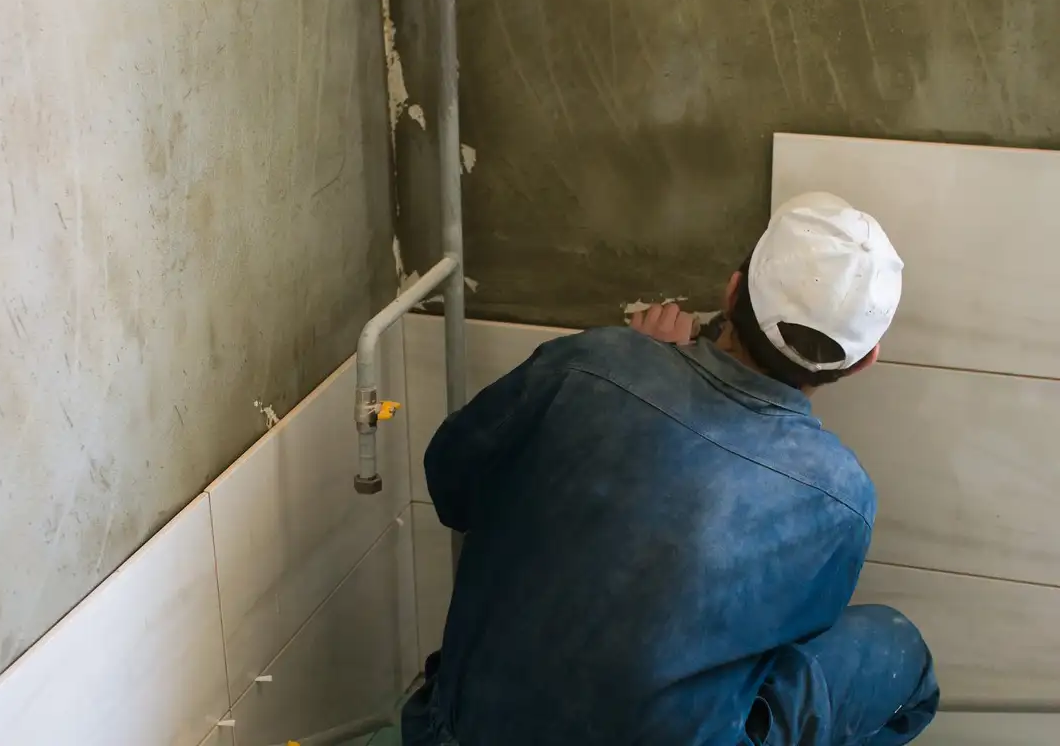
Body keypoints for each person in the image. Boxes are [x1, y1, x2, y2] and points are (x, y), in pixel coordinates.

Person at [401, 192, 940, 745]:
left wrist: (636, 372)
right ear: (864, 361)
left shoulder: (590, 364)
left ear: (732, 292)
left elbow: (450, 484)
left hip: (454, 733)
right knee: (903, 658)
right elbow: (785, 642)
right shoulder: (841, 496)